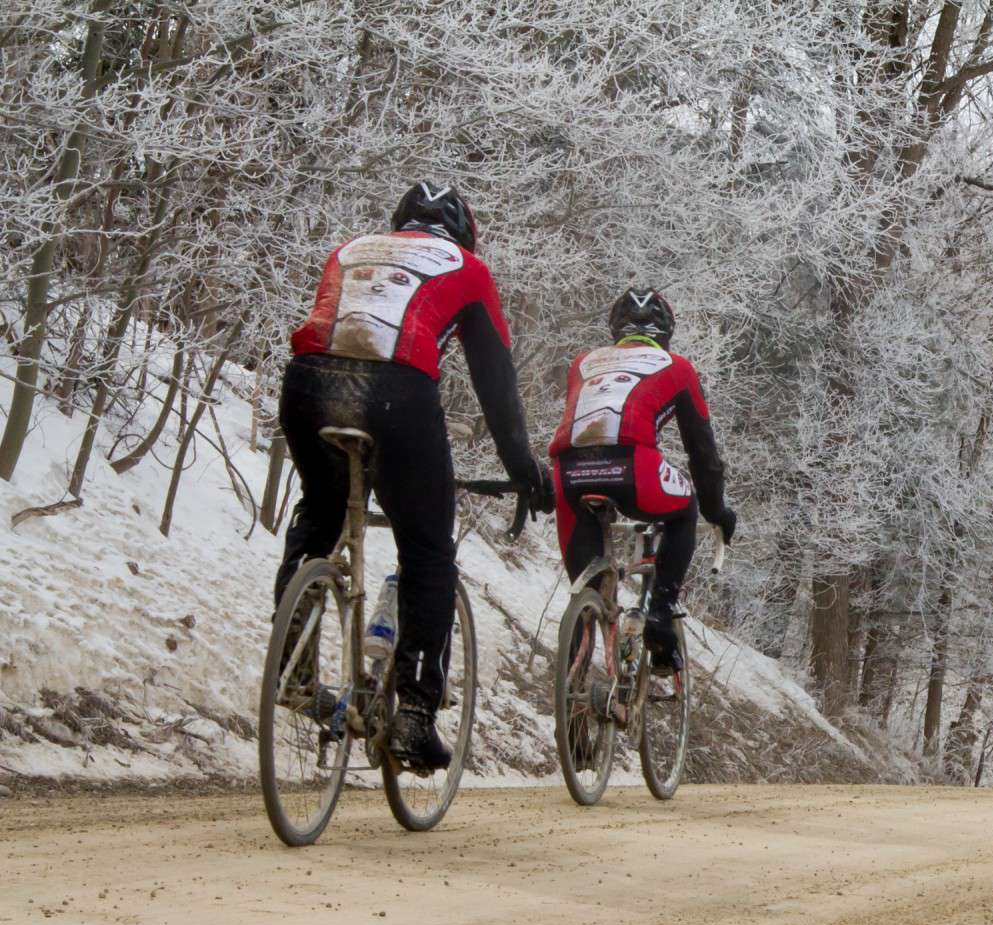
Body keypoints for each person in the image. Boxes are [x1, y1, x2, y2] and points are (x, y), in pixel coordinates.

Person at [276, 182, 553, 773]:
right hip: (396, 394)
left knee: (319, 513)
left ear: (400, 222)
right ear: (464, 234)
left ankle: (291, 666)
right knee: (427, 551)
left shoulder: (354, 248)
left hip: (307, 383)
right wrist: (524, 470)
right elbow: (496, 384)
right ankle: (415, 717)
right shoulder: (468, 268)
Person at [547, 288, 738, 677]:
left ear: (616, 329)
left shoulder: (583, 363)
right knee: (685, 508)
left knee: (587, 595)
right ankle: (660, 617)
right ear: (666, 331)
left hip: (567, 474)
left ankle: (573, 689)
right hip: (633, 469)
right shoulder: (677, 367)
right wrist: (717, 510)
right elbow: (702, 453)